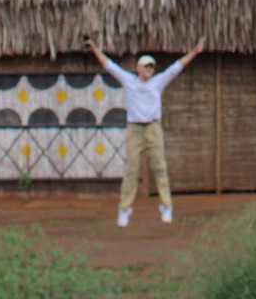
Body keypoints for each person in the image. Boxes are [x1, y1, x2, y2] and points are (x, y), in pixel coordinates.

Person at [88, 36, 205, 227]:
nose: (149, 69)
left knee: (160, 167)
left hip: (153, 127)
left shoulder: (158, 82)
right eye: (146, 66)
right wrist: (94, 48)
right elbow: (108, 64)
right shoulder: (129, 80)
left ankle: (166, 206)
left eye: (152, 67)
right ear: (138, 68)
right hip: (134, 128)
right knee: (131, 170)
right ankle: (125, 209)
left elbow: (177, 67)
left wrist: (195, 51)